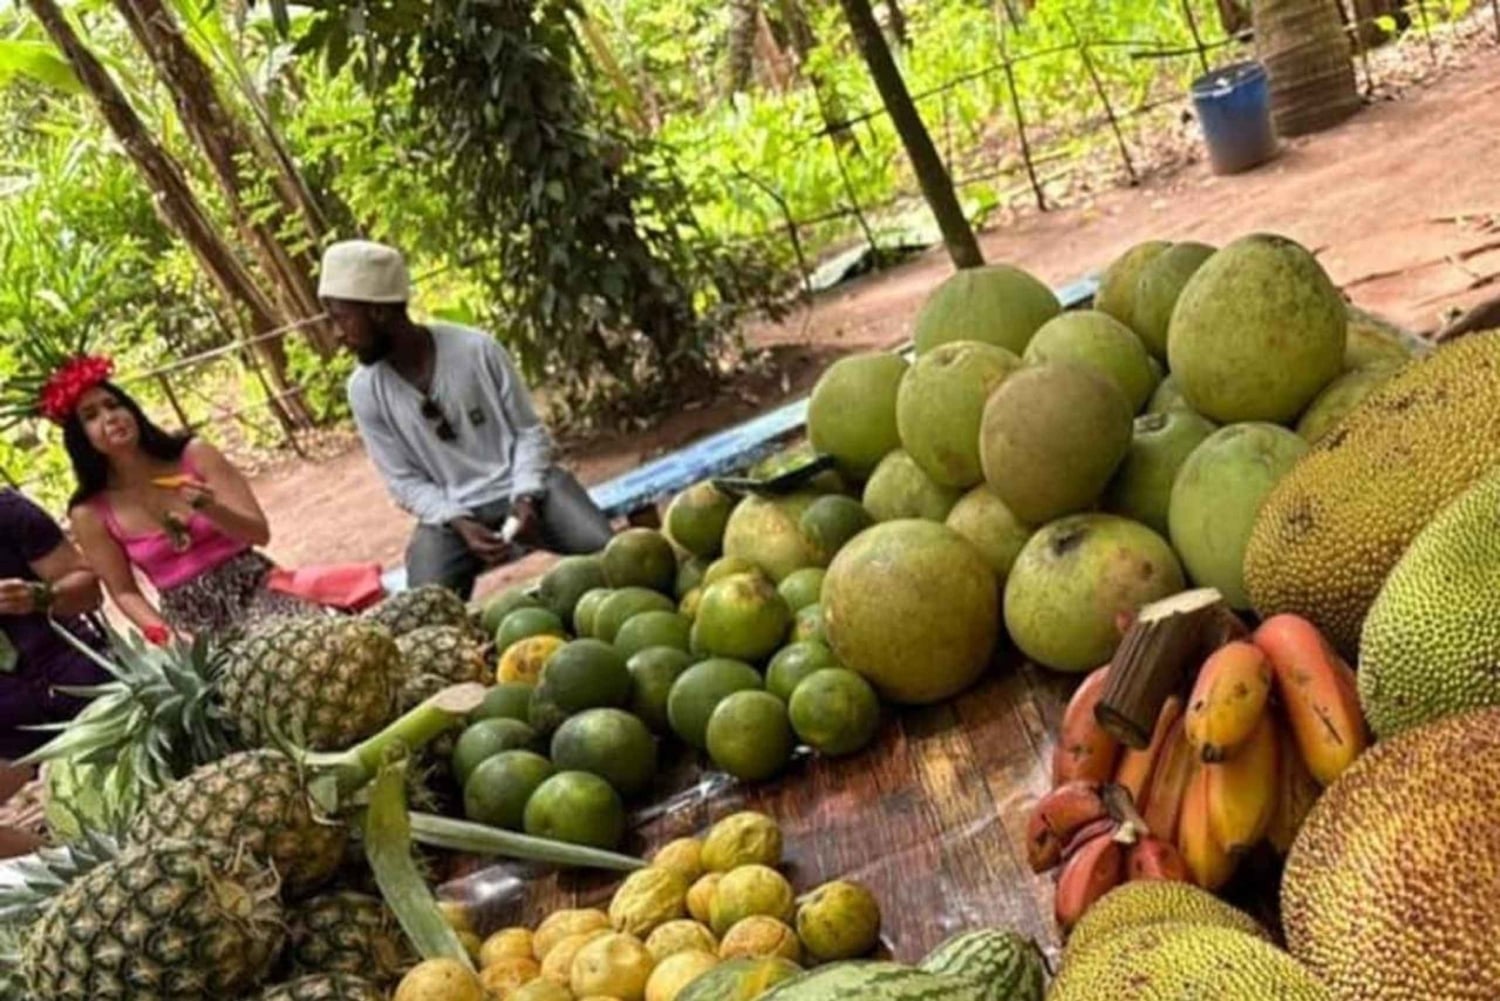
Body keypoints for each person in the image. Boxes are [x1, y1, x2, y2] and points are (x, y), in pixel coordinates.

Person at [320, 240, 614, 600]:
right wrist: (458, 521)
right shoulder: (365, 390)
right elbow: (403, 480)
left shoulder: (476, 350)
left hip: (529, 489)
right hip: (450, 517)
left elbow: (528, 433)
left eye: (340, 318)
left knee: (611, 556)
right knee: (428, 611)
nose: (337, 335)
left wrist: (525, 497)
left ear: (379, 313)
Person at [58, 375, 317, 642]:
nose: (110, 417)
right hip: (188, 621)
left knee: (293, 647)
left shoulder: (196, 454)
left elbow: (259, 534)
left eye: (113, 405)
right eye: (91, 416)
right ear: (79, 438)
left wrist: (211, 508)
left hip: (257, 586)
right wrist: (168, 638)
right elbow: (124, 592)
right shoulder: (89, 513)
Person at [0, 489, 108, 856]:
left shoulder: (8, 512)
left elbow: (89, 590)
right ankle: (75, 870)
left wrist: (39, 596)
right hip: (10, 722)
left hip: (81, 682)